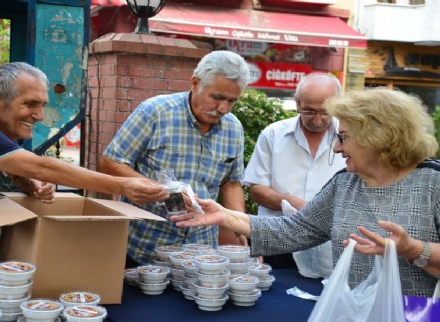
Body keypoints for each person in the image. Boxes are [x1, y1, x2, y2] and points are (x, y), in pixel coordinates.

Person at [171, 87, 440, 297]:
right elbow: (295, 230)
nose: (335, 148)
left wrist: (414, 249)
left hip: (420, 312)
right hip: (352, 307)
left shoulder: (433, 183)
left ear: (381, 137)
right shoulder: (345, 183)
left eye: (343, 137)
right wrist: (225, 216)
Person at [0, 62, 168, 285]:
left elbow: (12, 166)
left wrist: (27, 183)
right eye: (30, 104)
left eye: (42, 105)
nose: (39, 115)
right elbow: (41, 166)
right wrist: (123, 186)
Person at [99, 50, 250, 267]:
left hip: (201, 251)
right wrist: (163, 191)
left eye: (231, 101)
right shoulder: (156, 112)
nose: (223, 108)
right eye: (217, 97)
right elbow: (111, 162)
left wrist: (238, 224)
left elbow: (231, 184)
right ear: (195, 83)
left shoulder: (233, 127)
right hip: (145, 246)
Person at [242, 73, 346, 277]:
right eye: (309, 111)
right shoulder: (273, 134)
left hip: (329, 246)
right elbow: (256, 191)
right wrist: (295, 204)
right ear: (297, 103)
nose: (317, 120)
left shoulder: (350, 137)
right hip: (279, 241)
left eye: (325, 112)